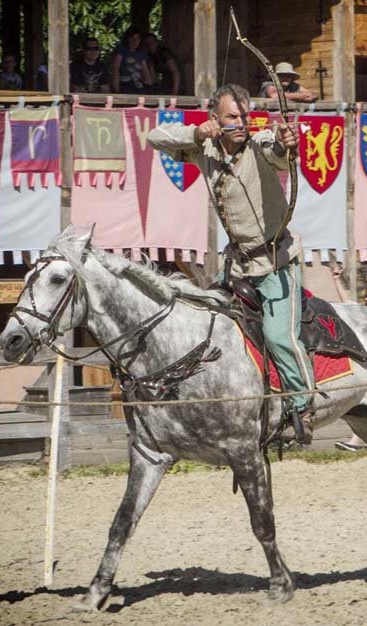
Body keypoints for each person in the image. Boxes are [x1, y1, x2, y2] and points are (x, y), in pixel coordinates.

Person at [147, 83, 315, 440]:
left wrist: (287, 142)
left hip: (276, 262)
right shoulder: (204, 147)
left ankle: (303, 405)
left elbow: (280, 153)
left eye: (245, 116)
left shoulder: (260, 144)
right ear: (215, 119)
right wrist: (196, 131)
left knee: (279, 336)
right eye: (232, 117)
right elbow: (154, 137)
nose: (241, 123)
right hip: (236, 266)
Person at [331, 267, 367, 451]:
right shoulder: (362, 312)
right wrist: (337, 280)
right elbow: (347, 301)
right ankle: (355, 441)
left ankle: (357, 441)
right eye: (366, 297)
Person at [112, 26, 151, 94]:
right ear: (127, 39)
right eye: (132, 38)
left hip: (138, 84)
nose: (135, 41)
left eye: (137, 38)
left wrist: (149, 85)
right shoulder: (122, 49)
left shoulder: (142, 52)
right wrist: (117, 90)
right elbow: (116, 69)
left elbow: (145, 70)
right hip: (124, 84)